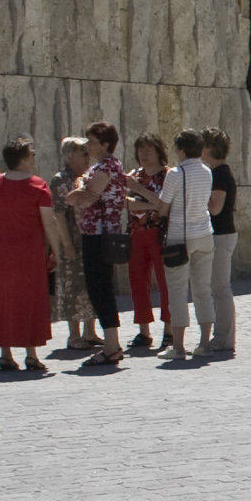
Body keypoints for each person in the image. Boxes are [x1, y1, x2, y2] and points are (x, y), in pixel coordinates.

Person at [0, 138, 68, 375]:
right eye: (32, 153)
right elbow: (48, 222)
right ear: (24, 158)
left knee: (3, 300)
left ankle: (6, 354)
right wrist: (56, 251)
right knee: (31, 300)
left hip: (1, 250)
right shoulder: (37, 185)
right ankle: (31, 354)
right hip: (29, 251)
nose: (35, 157)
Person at [65, 120, 132, 365]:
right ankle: (111, 342)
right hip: (96, 233)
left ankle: (112, 345)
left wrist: (78, 193)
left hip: (100, 234)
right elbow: (82, 187)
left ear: (105, 143)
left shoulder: (106, 166)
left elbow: (89, 197)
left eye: (92, 142)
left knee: (100, 288)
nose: (88, 146)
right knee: (98, 287)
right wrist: (80, 189)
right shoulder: (103, 166)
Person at [160, 130, 215, 360]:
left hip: (179, 237)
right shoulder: (207, 172)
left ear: (180, 149)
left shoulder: (175, 173)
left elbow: (163, 207)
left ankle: (178, 346)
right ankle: (204, 342)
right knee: (203, 290)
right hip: (204, 233)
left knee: (178, 291)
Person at [125, 136, 174, 354]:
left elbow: (165, 204)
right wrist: (149, 202)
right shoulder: (133, 175)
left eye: (149, 150)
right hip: (137, 233)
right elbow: (126, 203)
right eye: (140, 150)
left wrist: (139, 192)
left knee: (166, 282)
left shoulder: (167, 175)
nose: (144, 154)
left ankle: (170, 330)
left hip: (161, 233)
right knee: (137, 280)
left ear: (158, 151)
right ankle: (143, 331)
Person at [51, 138, 98, 352]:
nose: (88, 157)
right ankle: (74, 334)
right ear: (71, 156)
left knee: (91, 283)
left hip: (91, 237)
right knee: (72, 284)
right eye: (83, 153)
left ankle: (90, 330)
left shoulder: (90, 177)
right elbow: (59, 214)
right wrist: (66, 243)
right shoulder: (61, 180)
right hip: (73, 239)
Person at [198, 131, 239, 358]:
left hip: (221, 235)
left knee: (220, 288)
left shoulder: (220, 175)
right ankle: (221, 337)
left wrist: (197, 191)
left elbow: (215, 208)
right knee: (217, 288)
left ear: (209, 148)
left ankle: (224, 339)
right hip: (219, 235)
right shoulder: (216, 173)